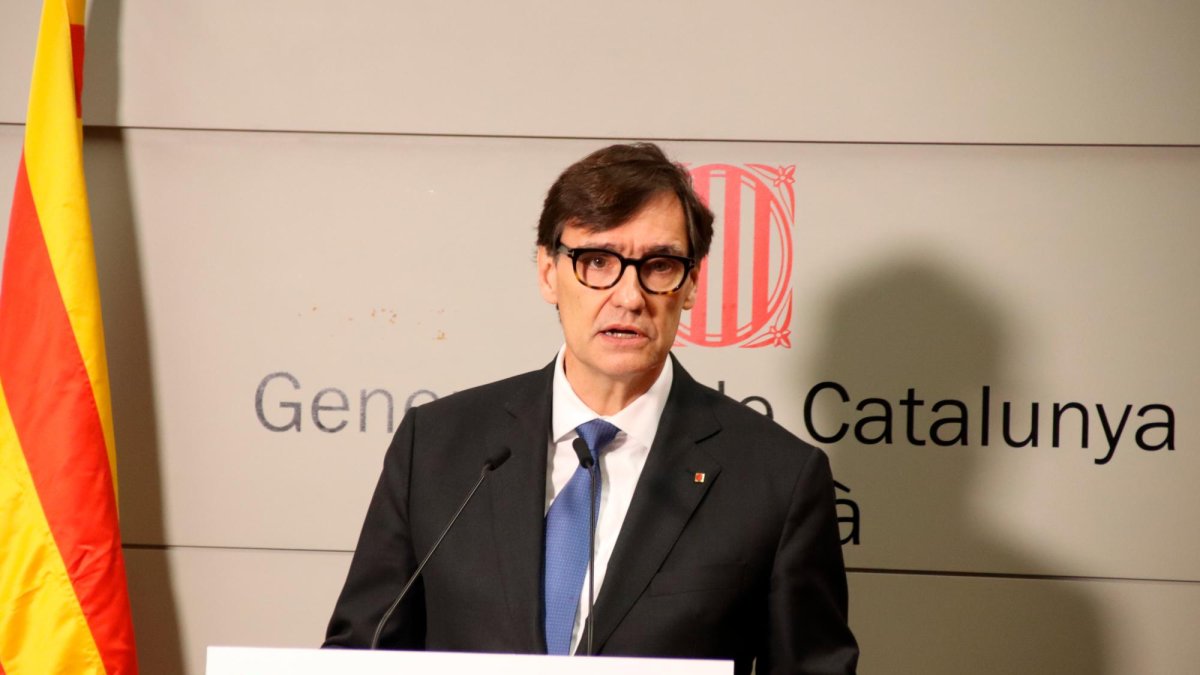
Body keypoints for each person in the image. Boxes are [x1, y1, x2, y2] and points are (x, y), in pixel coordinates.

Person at [323, 143, 859, 674]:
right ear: (548, 272)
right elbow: (360, 653)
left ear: (691, 283)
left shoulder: (777, 479)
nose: (628, 296)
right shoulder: (438, 446)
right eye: (597, 261)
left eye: (659, 264)